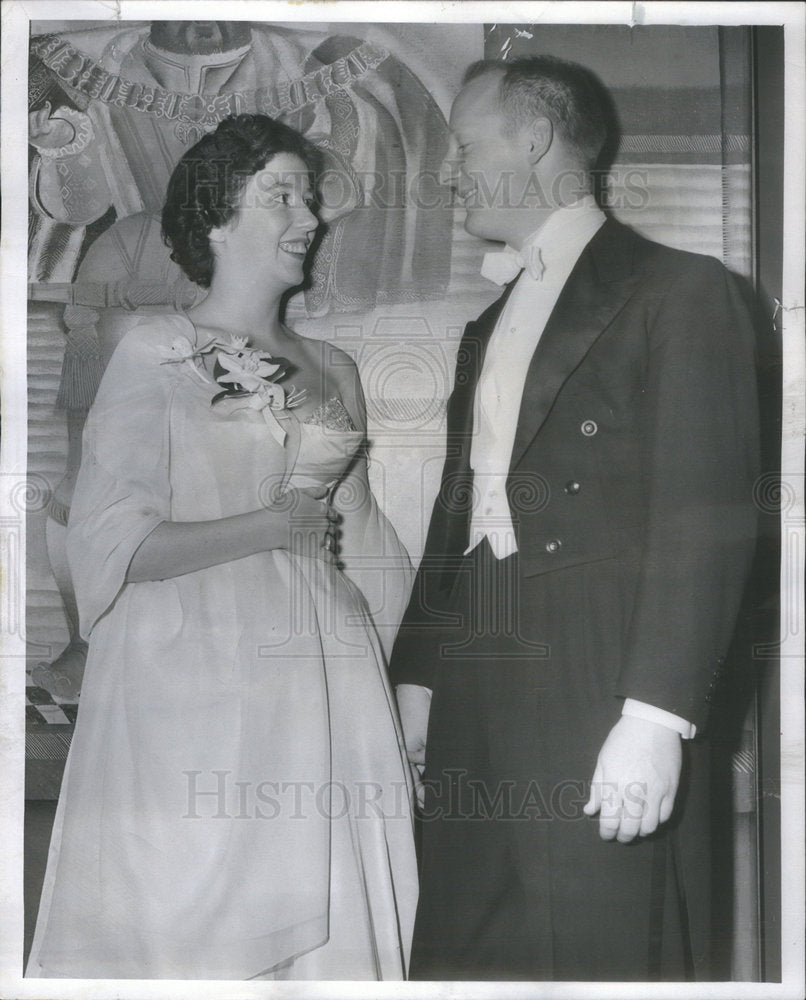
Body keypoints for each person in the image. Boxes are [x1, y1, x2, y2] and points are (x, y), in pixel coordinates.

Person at [389, 57, 760, 981]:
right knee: (465, 940)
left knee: (597, 941)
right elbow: (456, 509)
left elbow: (704, 518)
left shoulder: (683, 291)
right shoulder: (489, 324)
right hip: (481, 655)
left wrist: (658, 715)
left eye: (464, 146)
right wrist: (421, 676)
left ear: (535, 139)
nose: (448, 173)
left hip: (603, 664)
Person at [26, 114, 417, 980]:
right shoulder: (155, 353)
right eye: (280, 195)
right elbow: (113, 546)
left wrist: (416, 685)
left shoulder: (335, 369)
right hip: (186, 679)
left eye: (309, 197)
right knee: (195, 941)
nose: (307, 217)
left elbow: (367, 539)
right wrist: (268, 530)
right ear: (214, 219)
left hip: (325, 674)